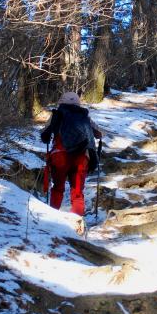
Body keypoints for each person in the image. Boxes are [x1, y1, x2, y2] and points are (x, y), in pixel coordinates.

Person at [40, 91, 102, 219]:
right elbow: (99, 134)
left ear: (61, 102)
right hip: (81, 158)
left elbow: (45, 135)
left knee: (58, 188)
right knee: (77, 191)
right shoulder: (84, 116)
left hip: (60, 156)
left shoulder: (56, 115)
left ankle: (53, 218)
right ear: (78, 103)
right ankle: (77, 221)